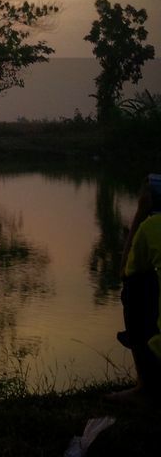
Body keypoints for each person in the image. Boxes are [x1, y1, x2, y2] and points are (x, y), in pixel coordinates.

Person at [110, 173, 161, 406]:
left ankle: (146, 387)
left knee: (135, 285)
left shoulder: (153, 227)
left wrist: (141, 214)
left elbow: (125, 273)